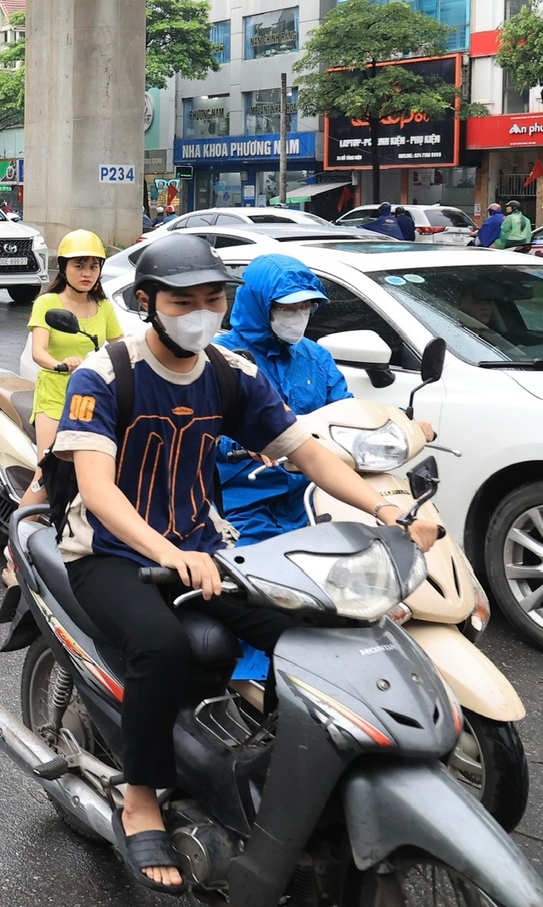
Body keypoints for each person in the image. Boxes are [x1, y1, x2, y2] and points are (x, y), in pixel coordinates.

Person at [51, 233, 439, 892]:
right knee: (162, 646)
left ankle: (291, 774)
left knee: (315, 633)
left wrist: (387, 509)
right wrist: (172, 552)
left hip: (204, 549)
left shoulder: (231, 372)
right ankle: (141, 794)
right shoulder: (106, 373)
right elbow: (97, 491)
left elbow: (304, 450)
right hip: (112, 555)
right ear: (147, 302)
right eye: (183, 299)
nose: (200, 310)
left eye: (212, 297)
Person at [211, 252, 439, 677]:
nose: (298, 316)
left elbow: (345, 415)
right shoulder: (222, 358)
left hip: (315, 500)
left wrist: (400, 426)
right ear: (259, 304)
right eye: (287, 307)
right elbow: (203, 425)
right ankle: (250, 689)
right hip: (241, 504)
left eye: (305, 307)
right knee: (258, 601)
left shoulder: (314, 357)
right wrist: (238, 443)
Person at [26, 229, 122, 485]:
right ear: (63, 267)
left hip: (92, 396)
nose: (87, 273)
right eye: (79, 266)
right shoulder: (47, 303)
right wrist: (61, 365)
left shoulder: (104, 307)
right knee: (47, 475)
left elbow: (120, 347)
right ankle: (23, 524)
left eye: (93, 266)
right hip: (55, 395)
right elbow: (38, 352)